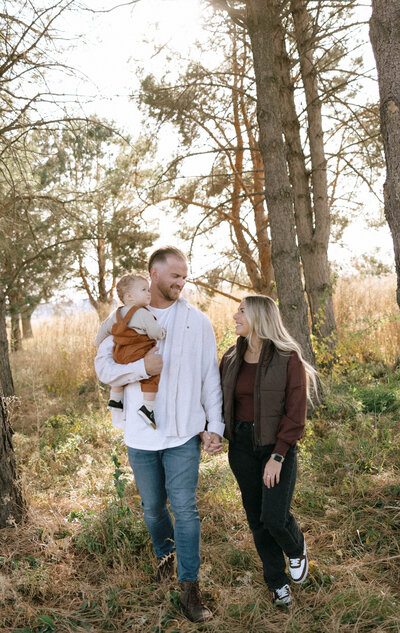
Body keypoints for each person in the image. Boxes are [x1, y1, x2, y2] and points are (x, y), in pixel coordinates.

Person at [94, 246, 224, 623]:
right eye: (175, 276)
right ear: (153, 274)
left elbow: (208, 378)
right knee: (153, 510)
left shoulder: (197, 322)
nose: (181, 283)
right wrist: (140, 367)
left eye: (185, 276)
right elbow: (103, 368)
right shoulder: (123, 316)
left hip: (184, 432)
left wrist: (213, 427)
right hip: (140, 434)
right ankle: (166, 554)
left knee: (185, 509)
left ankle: (189, 587)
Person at [220, 295, 318, 608]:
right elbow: (219, 401)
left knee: (274, 516)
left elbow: (296, 412)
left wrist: (277, 455)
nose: (235, 315)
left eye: (241, 311)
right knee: (257, 520)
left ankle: (296, 548)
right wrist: (212, 433)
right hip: (242, 448)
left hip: (277, 447)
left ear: (260, 318)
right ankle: (277, 583)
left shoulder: (288, 357)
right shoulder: (231, 357)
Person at [94, 273, 166, 428]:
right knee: (151, 377)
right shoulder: (143, 313)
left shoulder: (116, 314)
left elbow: (104, 329)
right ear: (130, 296)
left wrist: (97, 342)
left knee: (119, 377)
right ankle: (147, 407)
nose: (149, 293)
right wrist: (162, 333)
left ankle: (116, 399)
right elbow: (154, 332)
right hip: (138, 353)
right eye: (144, 290)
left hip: (119, 353)